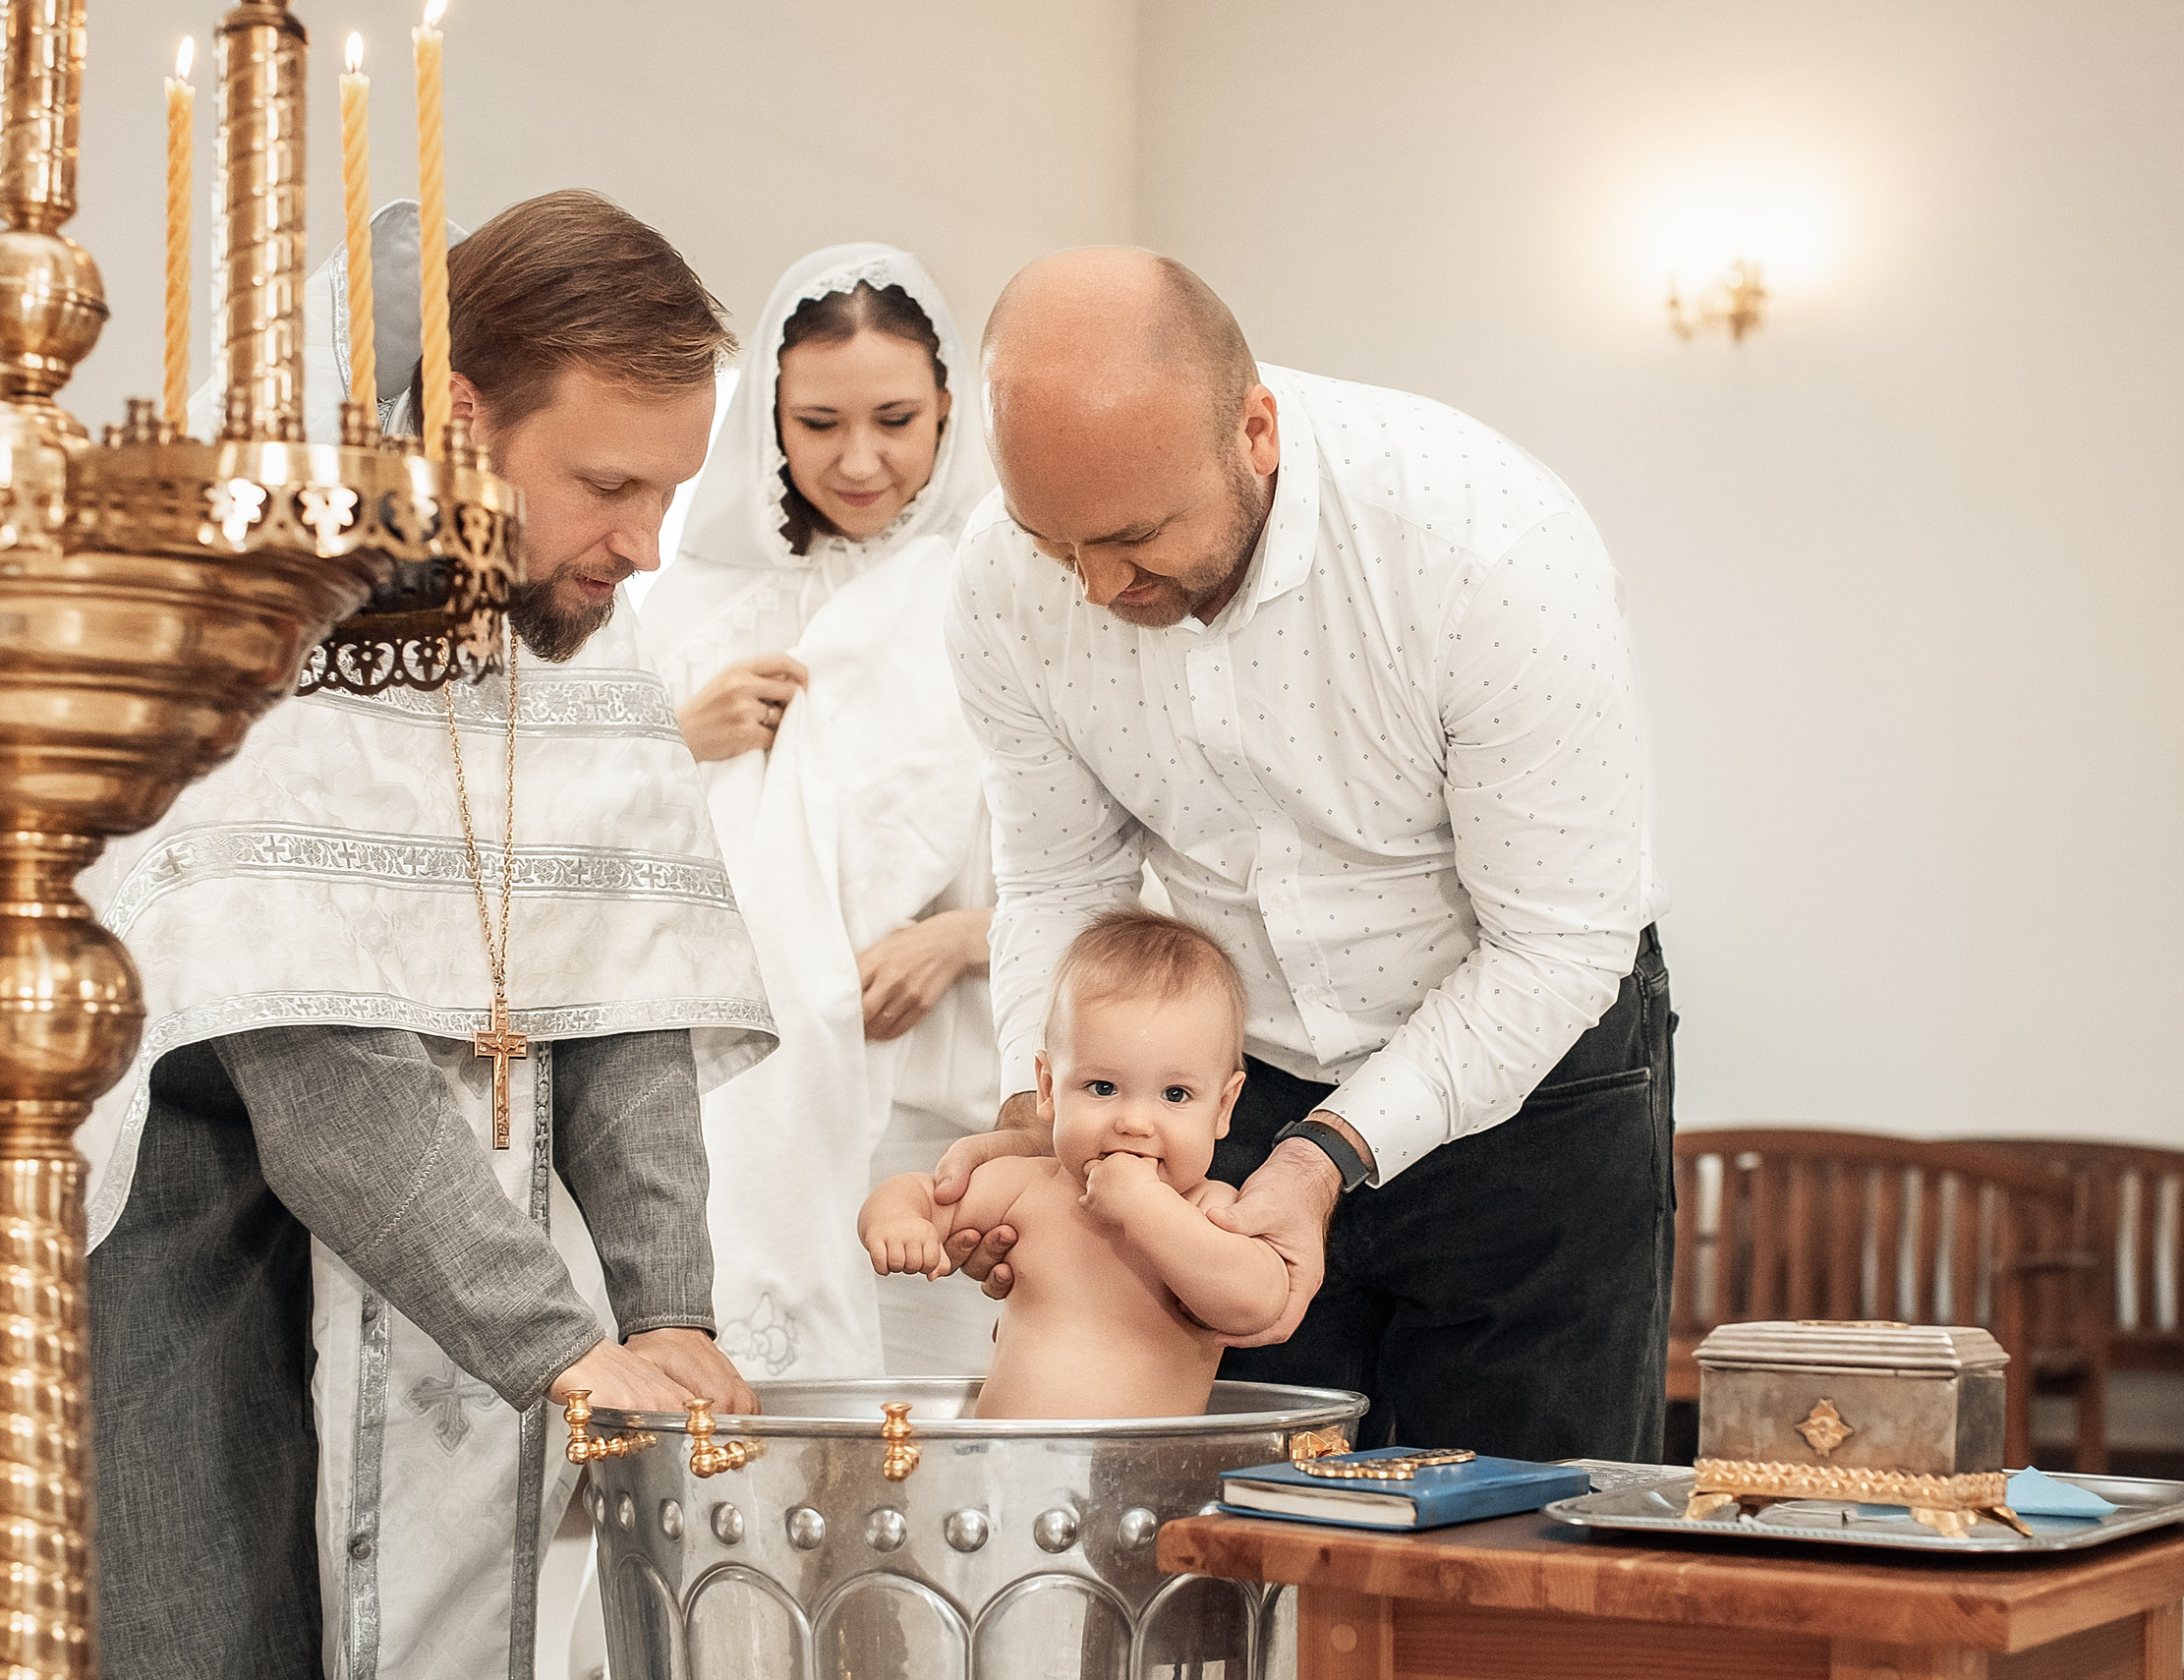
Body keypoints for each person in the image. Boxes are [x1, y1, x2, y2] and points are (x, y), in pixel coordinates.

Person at [0, 191, 775, 1680]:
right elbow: (329, 1072)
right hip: (177, 1240)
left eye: (667, 494)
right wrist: (566, 1349)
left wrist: (672, 1305)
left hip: (467, 1270)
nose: (644, 546)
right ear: (462, 418)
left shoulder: (589, 644)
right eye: (607, 485)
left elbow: (630, 994)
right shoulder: (270, 618)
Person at [937, 248, 1675, 1462]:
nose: (1096, 587)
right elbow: (1061, 880)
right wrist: (1038, 1116)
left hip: (1533, 1087)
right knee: (1258, 1560)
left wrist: (1325, 1156)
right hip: (1228, 1090)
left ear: (1256, 432)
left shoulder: (1487, 546)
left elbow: (1554, 942)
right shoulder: (1000, 584)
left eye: (1132, 538)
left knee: (1519, 1564)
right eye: (1052, 543)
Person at [638, 244, 1001, 1382]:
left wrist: (963, 935)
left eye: (894, 418)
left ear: (947, 408)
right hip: (745, 1093)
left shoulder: (1000, 588)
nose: (857, 460)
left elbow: (1109, 844)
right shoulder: (689, 601)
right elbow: (573, 834)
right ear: (768, 424)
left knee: (934, 1421)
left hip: (936, 1086)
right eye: (817, 422)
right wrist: (672, 742)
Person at [861, 909, 1286, 1418]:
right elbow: (917, 1192)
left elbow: (1254, 1304)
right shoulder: (1025, 1189)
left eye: (1175, 1094)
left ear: (1222, 1107)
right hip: (1013, 1469)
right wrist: (898, 1220)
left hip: (1149, 1482)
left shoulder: (1213, 1211)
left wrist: (1145, 1205)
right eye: (1102, 1088)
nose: (1134, 1122)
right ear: (1048, 1089)